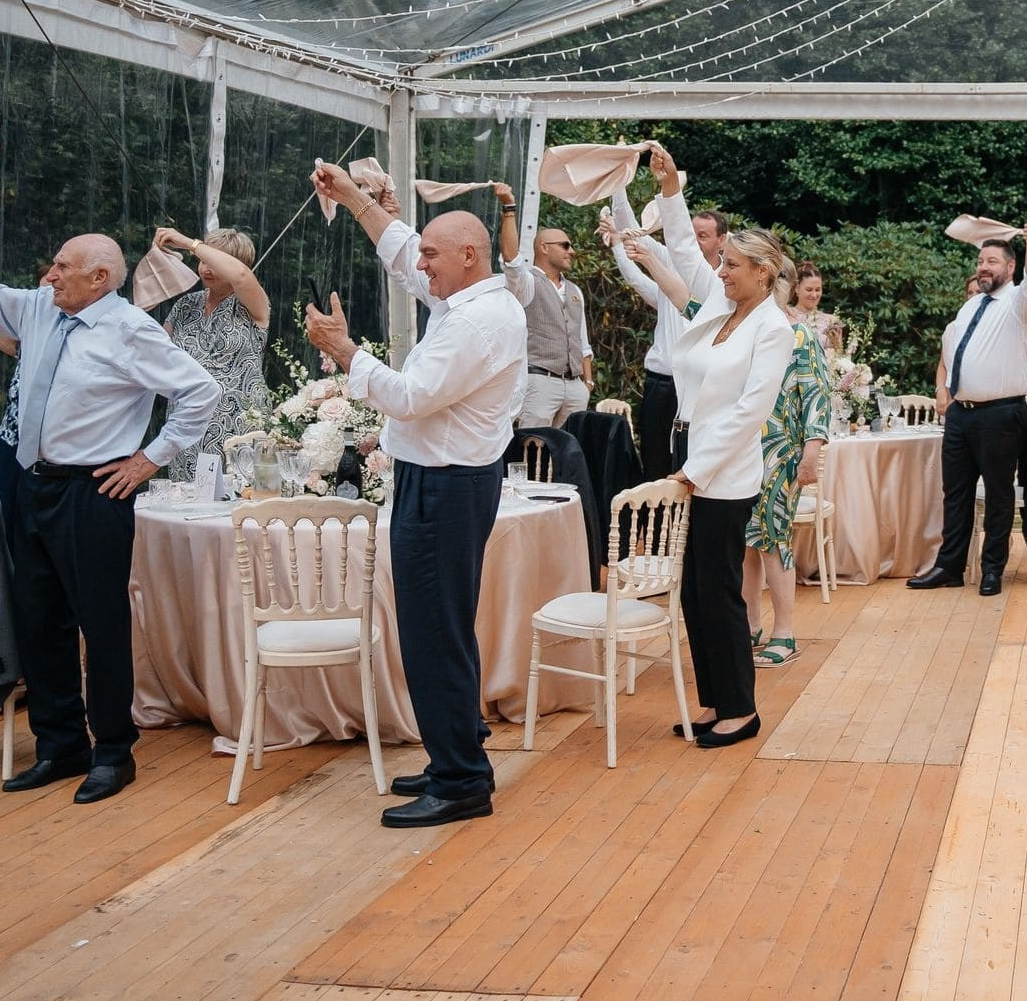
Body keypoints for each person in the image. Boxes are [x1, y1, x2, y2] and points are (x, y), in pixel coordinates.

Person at [0, 232, 220, 803]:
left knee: (102, 626)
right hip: (32, 489)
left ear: (100, 280)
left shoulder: (130, 330)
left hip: (93, 495)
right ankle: (61, 747)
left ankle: (114, 752)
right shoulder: (38, 308)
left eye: (63, 266)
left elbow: (200, 391)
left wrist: (146, 461)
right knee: (39, 623)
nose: (51, 274)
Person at [308, 165, 527, 828]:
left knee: (433, 633)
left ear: (468, 255)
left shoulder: (475, 321)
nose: (421, 264)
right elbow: (405, 253)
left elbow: (408, 395)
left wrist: (345, 351)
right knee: (441, 627)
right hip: (446, 480)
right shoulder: (471, 298)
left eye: (435, 254)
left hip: (447, 488)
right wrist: (352, 199)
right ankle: (453, 751)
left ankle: (462, 779)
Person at [668, 226, 802, 749]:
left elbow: (751, 412)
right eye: (720, 263)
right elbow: (680, 249)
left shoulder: (773, 328)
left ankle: (742, 710)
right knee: (692, 591)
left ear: (762, 272)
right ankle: (713, 700)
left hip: (722, 473)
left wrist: (695, 471)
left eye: (730, 265)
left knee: (720, 590)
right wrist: (669, 189)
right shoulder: (721, 314)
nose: (719, 272)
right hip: (688, 455)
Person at [912, 233, 1027, 596]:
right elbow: (952, 358)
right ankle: (950, 566)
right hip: (961, 415)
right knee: (954, 493)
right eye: (979, 261)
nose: (983, 267)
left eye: (991, 261)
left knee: (998, 495)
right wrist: (946, 393)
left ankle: (992, 570)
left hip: (1001, 414)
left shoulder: (1020, 303)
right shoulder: (970, 307)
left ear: (1009, 266)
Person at [606, 145, 724, 477]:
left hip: (703, 384)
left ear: (722, 240)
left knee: (694, 462)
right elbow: (631, 233)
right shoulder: (671, 259)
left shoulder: (725, 282)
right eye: (694, 234)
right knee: (657, 461)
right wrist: (618, 185)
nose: (695, 242)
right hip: (663, 381)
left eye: (703, 236)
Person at [748, 306, 833, 668]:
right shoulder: (747, 332)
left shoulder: (801, 336)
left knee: (773, 538)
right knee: (746, 541)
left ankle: (784, 633)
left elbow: (817, 395)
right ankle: (750, 626)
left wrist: (811, 453)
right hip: (743, 452)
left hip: (781, 452)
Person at [154, 226, 269, 482]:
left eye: (214, 261)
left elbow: (240, 276)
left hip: (240, 429)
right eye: (203, 260)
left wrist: (188, 242)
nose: (206, 267)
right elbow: (154, 352)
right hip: (187, 424)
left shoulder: (253, 303)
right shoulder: (186, 305)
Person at [515, 214, 592, 429]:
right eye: (565, 245)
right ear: (544, 248)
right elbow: (511, 261)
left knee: (569, 451)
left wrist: (588, 384)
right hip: (540, 380)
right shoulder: (527, 282)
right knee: (532, 447)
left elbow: (582, 341)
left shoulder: (575, 290)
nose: (572, 251)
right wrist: (509, 211)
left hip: (575, 386)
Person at [790, 263, 844, 353]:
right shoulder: (787, 316)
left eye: (817, 290)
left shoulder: (832, 320)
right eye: (809, 290)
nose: (814, 295)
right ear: (797, 289)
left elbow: (838, 355)